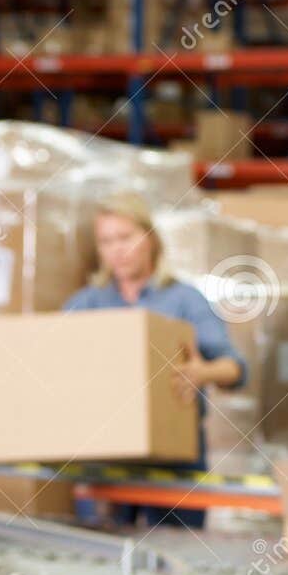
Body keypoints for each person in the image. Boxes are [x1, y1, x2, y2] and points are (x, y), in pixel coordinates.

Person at [63, 193, 248, 530]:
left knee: (178, 556)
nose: (116, 249)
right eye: (106, 241)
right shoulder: (86, 303)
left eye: (125, 237)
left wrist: (202, 372)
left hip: (175, 457)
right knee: (102, 563)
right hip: (104, 459)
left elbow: (235, 369)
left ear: (150, 239)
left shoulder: (183, 300)